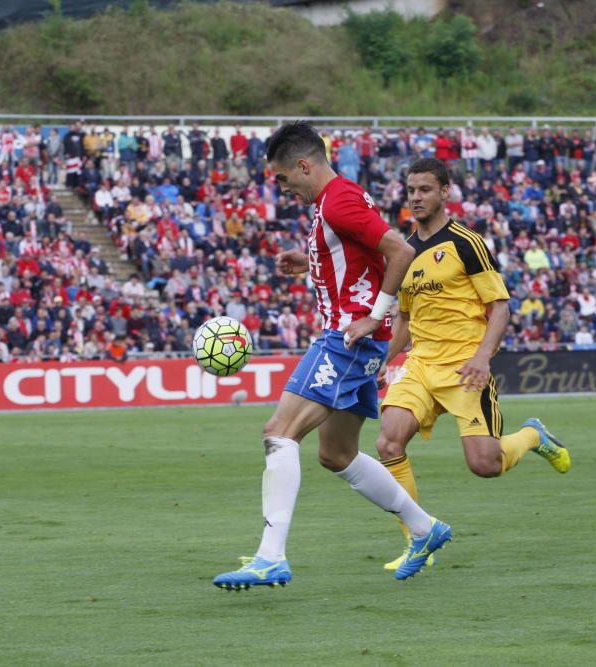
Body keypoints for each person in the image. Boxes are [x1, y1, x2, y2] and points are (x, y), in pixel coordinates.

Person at [213, 123, 451, 591]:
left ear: (304, 165)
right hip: (355, 337)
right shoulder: (338, 199)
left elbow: (399, 251)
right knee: (336, 453)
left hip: (347, 339)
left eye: (283, 178)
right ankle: (424, 529)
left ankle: (269, 557)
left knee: (279, 433)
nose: (283, 188)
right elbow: (367, 250)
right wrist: (311, 258)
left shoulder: (337, 200)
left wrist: (373, 316)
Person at [373, 158, 570, 570]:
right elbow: (406, 321)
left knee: (485, 464)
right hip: (422, 364)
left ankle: (533, 436)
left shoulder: (466, 242)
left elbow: (499, 306)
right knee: (388, 442)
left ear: (445, 192)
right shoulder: (405, 252)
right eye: (411, 190)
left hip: (465, 365)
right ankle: (419, 540)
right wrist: (384, 358)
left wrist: (483, 356)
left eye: (425, 189)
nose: (416, 197)